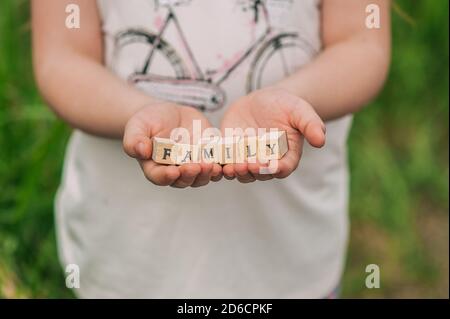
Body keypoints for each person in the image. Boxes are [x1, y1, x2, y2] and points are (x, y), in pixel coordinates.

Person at [31, 0, 391, 298]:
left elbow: (361, 43)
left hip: (290, 259)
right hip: (129, 259)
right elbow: (62, 58)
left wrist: (297, 99)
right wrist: (136, 115)